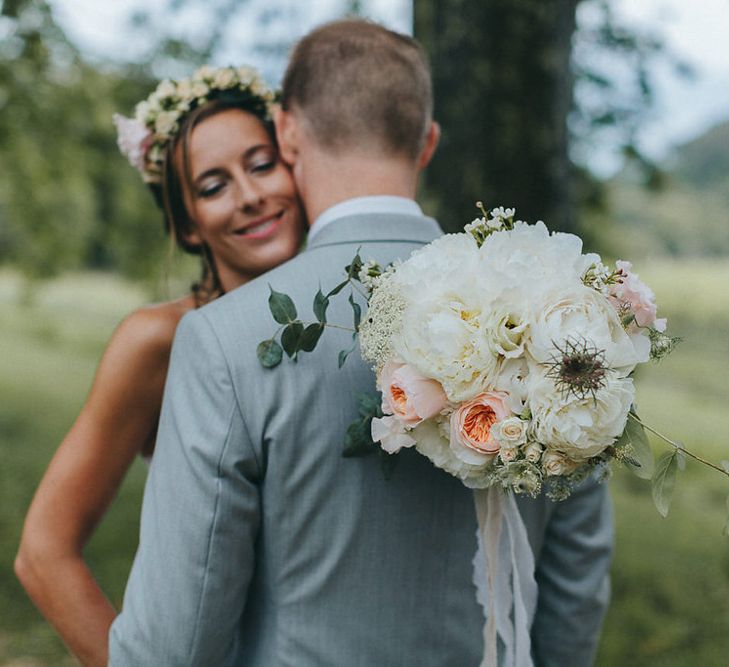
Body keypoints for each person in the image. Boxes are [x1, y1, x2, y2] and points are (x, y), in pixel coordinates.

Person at [109, 20, 613, 666]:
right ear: (426, 142)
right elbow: (573, 590)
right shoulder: (555, 320)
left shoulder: (224, 339)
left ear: (287, 133)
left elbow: (170, 644)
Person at [14, 65, 305, 667]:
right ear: (186, 225)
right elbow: (43, 551)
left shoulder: (361, 319)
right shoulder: (158, 342)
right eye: (213, 185)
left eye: (260, 164)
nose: (250, 196)